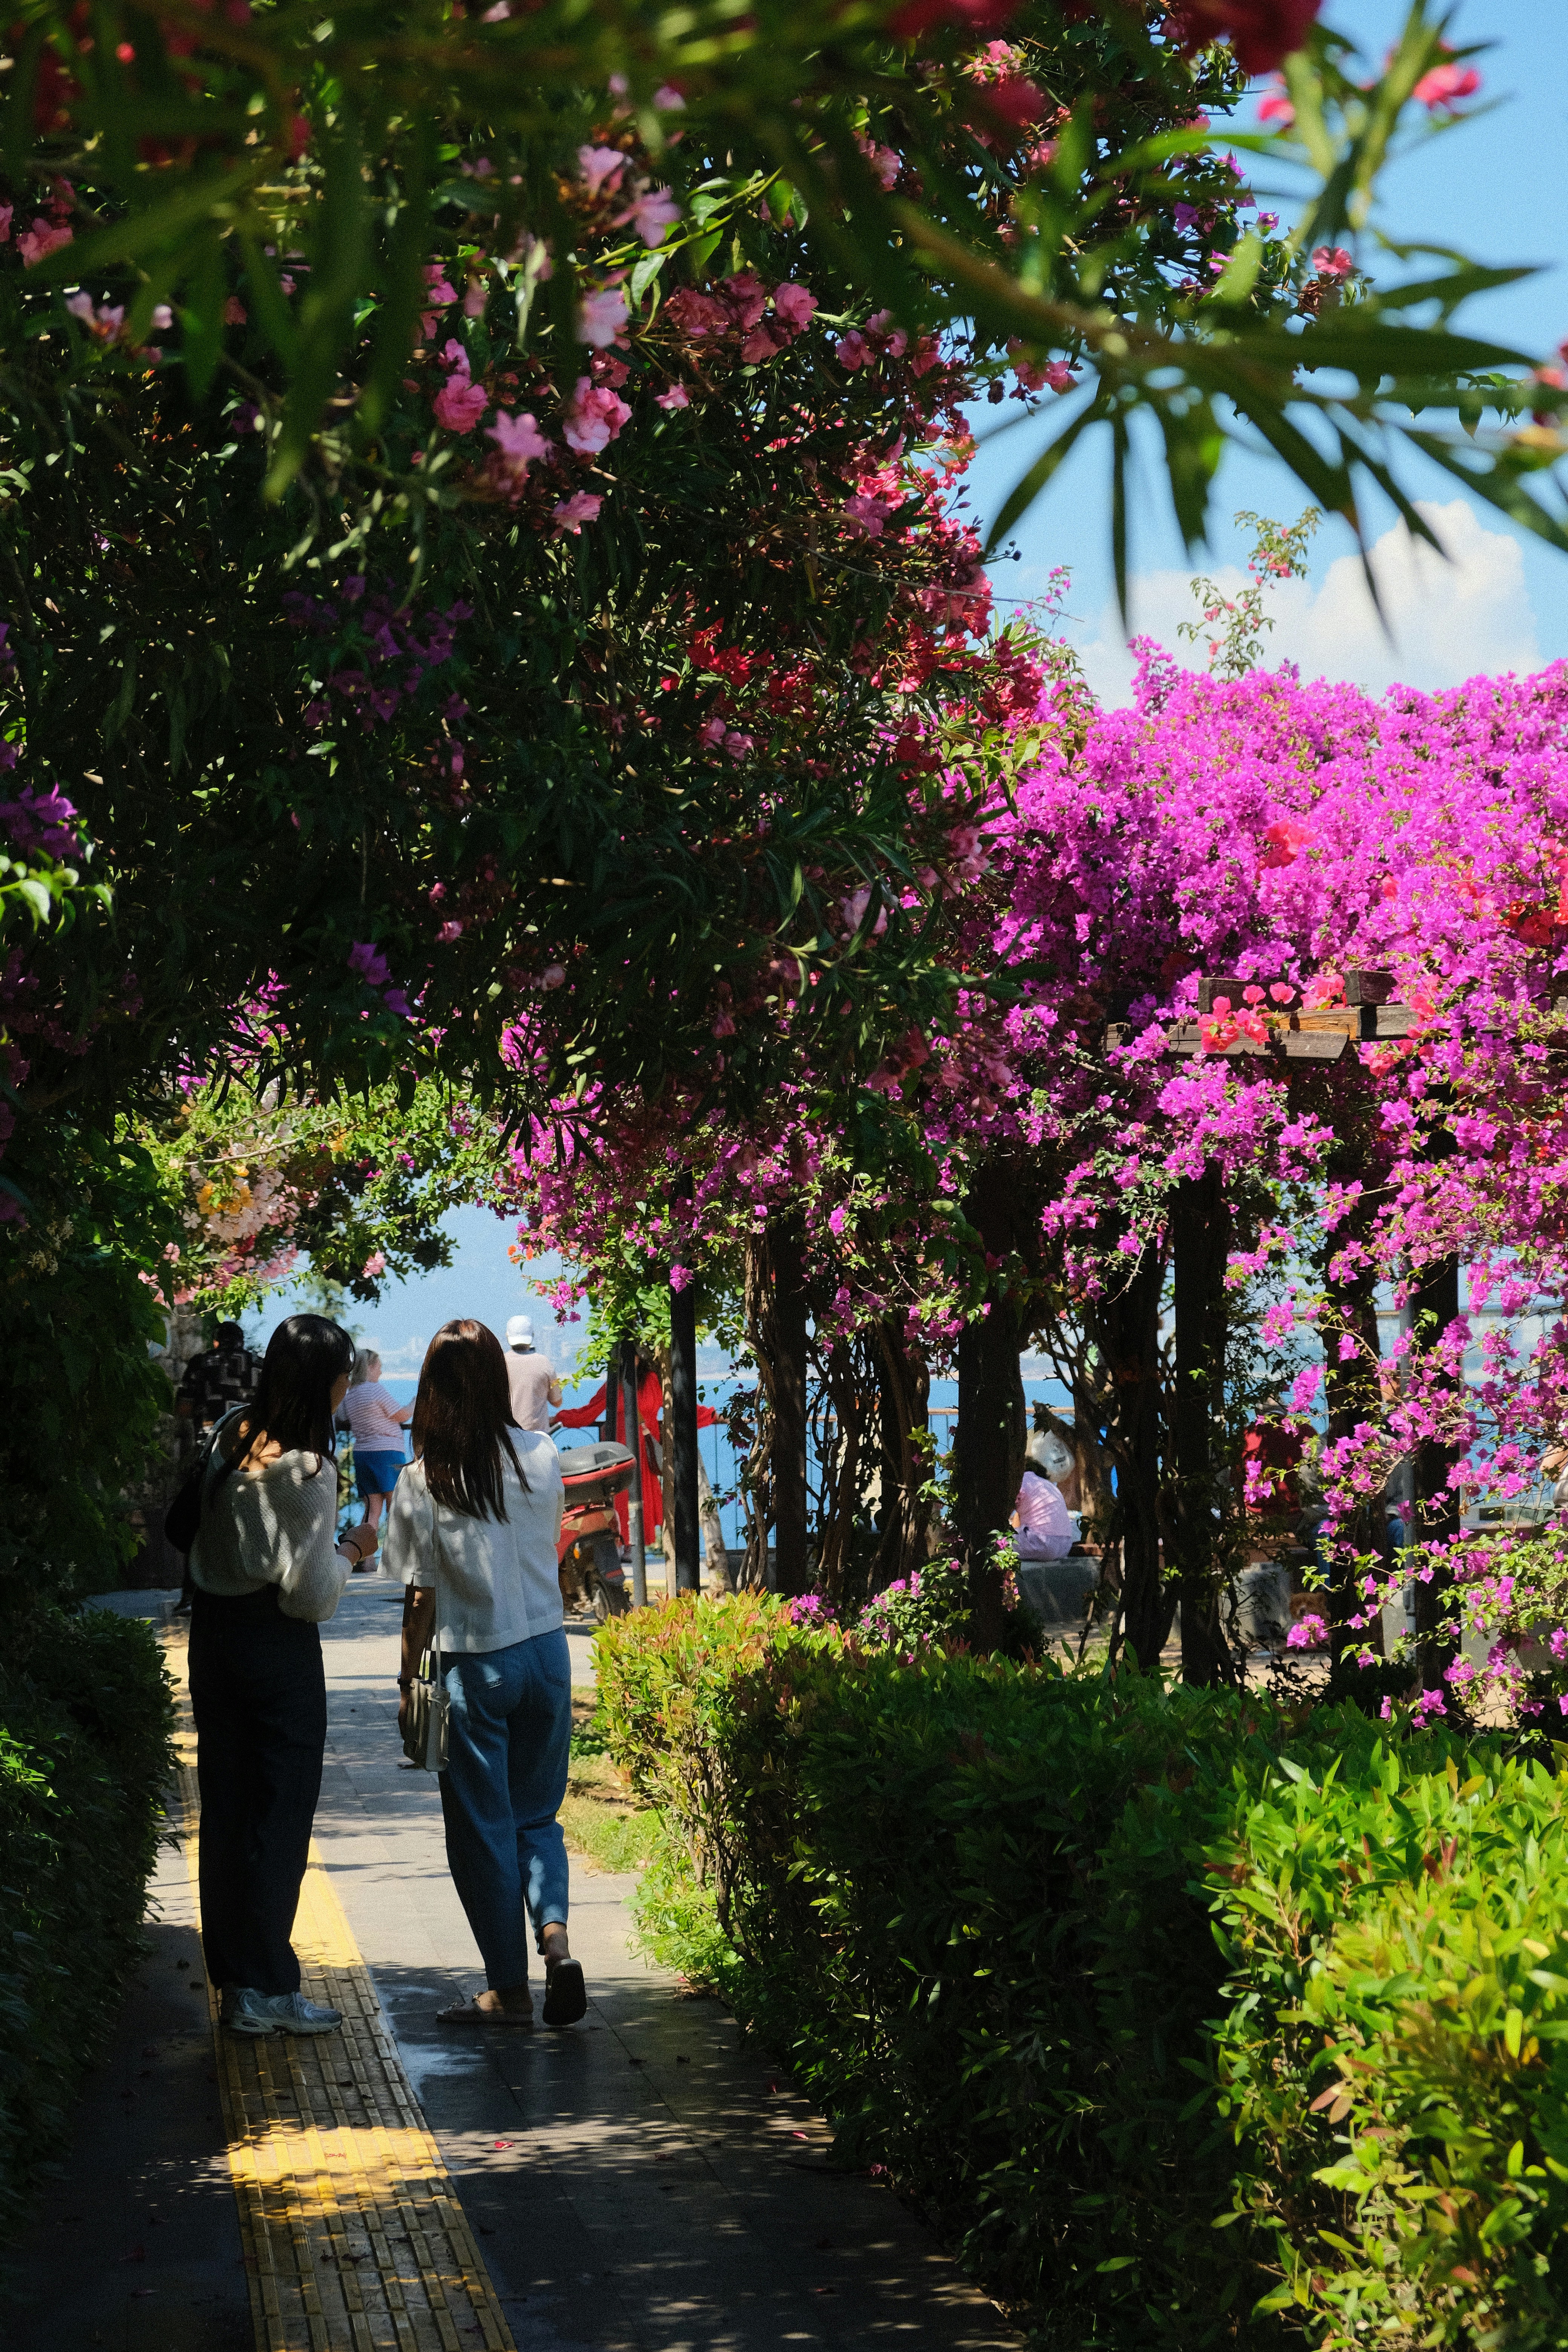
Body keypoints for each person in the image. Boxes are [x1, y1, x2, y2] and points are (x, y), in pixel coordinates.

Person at [384, 1318, 582, 2030]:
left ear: (431, 1392)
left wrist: (410, 1681)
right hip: (548, 1653)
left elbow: (418, 1595)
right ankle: (556, 1944)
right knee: (538, 1817)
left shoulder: (422, 1480)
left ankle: (508, 1989)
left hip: (475, 1664)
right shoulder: (542, 1452)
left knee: (482, 1831)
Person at [188, 1314, 378, 2038]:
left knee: (229, 1810)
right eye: (344, 1377)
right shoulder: (307, 1469)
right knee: (281, 1813)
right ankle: (268, 1986)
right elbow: (310, 1594)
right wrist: (355, 1549)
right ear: (325, 1382)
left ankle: (238, 1983)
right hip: (276, 1648)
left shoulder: (232, 1431)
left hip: (215, 1637)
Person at [341, 1346, 414, 1547]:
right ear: (371, 1367)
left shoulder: (351, 1395)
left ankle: (364, 1558)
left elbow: (342, 1417)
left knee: (372, 1509)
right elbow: (401, 1416)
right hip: (387, 1453)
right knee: (395, 1505)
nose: (381, 1372)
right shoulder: (375, 1390)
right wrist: (414, 1403)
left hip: (363, 1454)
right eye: (379, 1367)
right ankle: (395, 1557)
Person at [177, 1320, 260, 1432]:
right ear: (242, 1342)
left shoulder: (200, 1363)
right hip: (250, 1439)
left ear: (216, 1343)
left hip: (210, 1438)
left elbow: (184, 1408)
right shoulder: (260, 1365)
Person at [504, 1314, 563, 1433]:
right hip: (538, 1438)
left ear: (507, 1336)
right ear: (533, 1336)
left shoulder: (499, 1362)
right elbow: (557, 1402)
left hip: (508, 1436)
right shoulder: (545, 1363)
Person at [1012, 1466, 1075, 1562]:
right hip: (1065, 1547)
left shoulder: (1022, 1482)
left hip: (1042, 1545)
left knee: (996, 1541)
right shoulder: (1047, 1485)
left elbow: (1004, 1511)